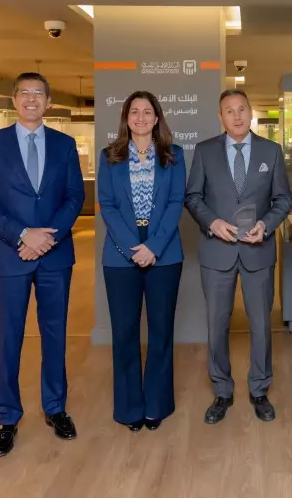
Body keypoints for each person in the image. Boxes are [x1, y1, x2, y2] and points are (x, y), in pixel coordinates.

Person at [0, 72, 84, 457]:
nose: (31, 99)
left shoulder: (65, 145)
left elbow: (74, 197)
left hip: (55, 255)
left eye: (38, 93)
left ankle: (55, 408)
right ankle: (7, 418)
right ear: (14, 99)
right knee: (8, 338)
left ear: (49, 102)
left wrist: (47, 238)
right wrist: (22, 235)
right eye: (25, 93)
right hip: (9, 255)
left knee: (55, 334)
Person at [185, 89, 292, 424]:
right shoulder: (205, 151)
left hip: (257, 252)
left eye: (242, 109)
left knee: (261, 325)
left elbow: (283, 199)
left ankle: (259, 390)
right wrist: (212, 222)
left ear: (251, 112)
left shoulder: (271, 151)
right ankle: (222, 391)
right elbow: (193, 196)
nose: (236, 116)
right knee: (217, 325)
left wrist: (266, 225)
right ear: (220, 117)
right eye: (229, 111)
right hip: (217, 252)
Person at [97, 91, 186, 433]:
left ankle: (156, 405)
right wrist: (133, 248)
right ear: (126, 117)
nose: (141, 117)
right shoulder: (110, 156)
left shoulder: (174, 155)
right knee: (125, 333)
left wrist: (155, 247)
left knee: (161, 332)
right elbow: (107, 204)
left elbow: (176, 202)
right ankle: (130, 407)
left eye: (147, 111)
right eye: (134, 111)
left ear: (157, 117)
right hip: (121, 254)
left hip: (165, 253)